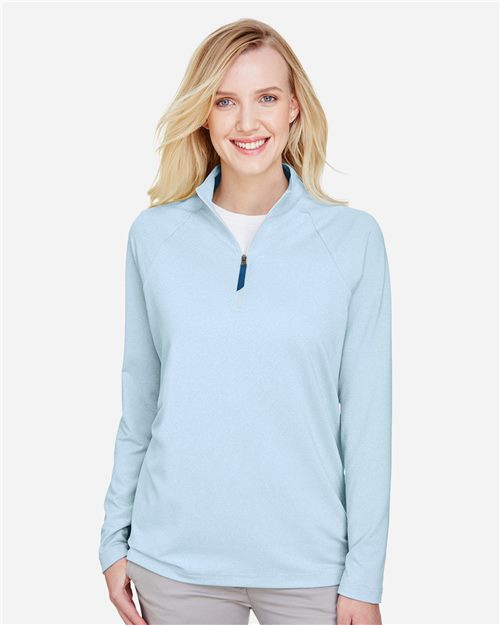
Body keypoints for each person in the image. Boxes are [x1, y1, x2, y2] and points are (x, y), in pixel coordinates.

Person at [99, 17, 392, 625]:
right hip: (173, 564)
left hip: (311, 568)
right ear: (203, 115)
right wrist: (113, 538)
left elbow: (368, 422)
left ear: (295, 109)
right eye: (225, 101)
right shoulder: (154, 236)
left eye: (267, 98)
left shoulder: (352, 239)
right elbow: (141, 402)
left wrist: (365, 578)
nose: (247, 122)